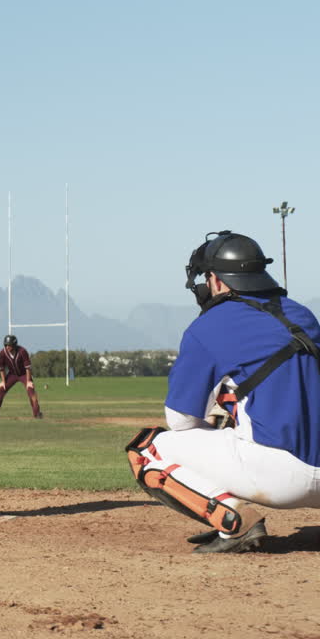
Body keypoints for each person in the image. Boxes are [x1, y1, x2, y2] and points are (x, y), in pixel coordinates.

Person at [126, 231, 320, 553]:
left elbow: (180, 421)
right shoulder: (303, 314)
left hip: (283, 479)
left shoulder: (210, 324)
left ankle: (233, 521)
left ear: (215, 280)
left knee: (148, 449)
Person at [0, 334, 43, 419]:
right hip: (12, 374)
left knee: (31, 391)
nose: (7, 347)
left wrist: (28, 382)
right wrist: (3, 382)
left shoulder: (22, 351)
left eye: (9, 345)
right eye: (6, 345)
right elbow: (1, 368)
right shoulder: (3, 353)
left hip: (24, 374)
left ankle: (37, 413)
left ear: (14, 345)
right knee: (1, 390)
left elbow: (28, 368)